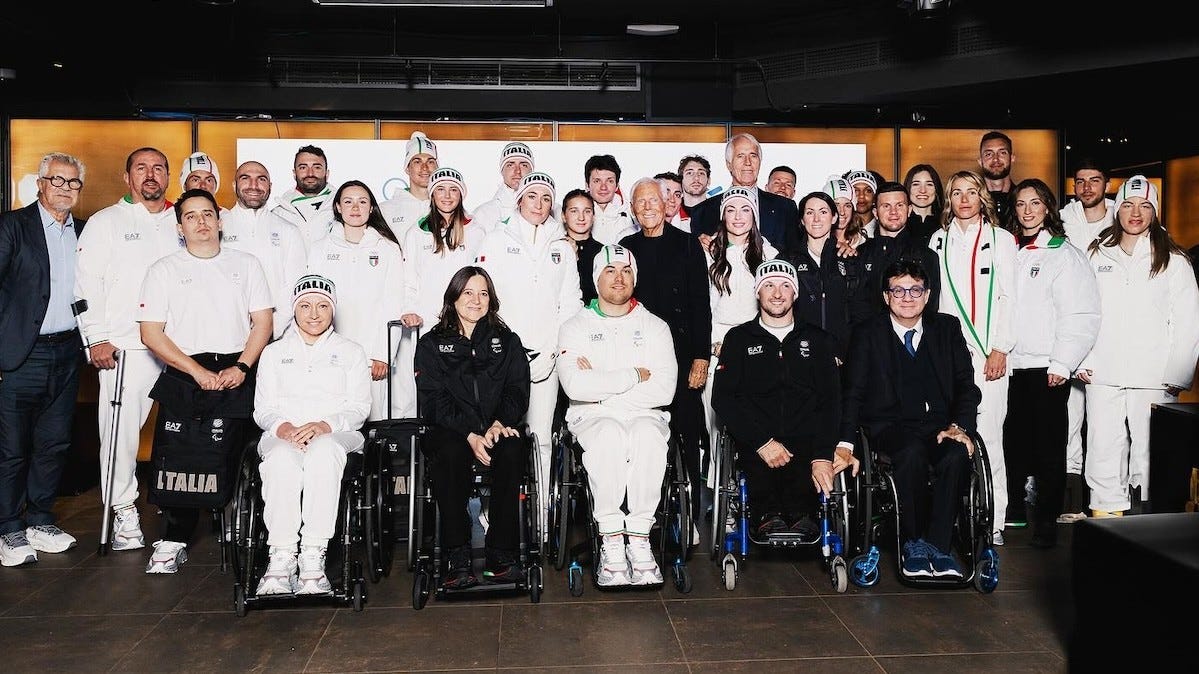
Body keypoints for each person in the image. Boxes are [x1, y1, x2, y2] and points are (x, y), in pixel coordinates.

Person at [137, 189, 273, 573]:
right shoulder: (162, 269)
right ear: (179, 227)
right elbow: (151, 333)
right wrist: (196, 372)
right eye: (191, 216)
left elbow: (263, 322)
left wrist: (242, 367)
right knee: (177, 458)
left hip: (236, 369)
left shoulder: (246, 264)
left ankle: (243, 530)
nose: (201, 222)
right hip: (185, 371)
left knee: (240, 454)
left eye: (208, 214)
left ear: (219, 220)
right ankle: (173, 538)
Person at [839, 259, 981, 579]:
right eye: (898, 290)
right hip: (890, 428)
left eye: (915, 290)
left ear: (927, 295)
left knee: (956, 454)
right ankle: (913, 544)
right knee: (911, 453)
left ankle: (939, 547)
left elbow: (966, 386)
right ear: (886, 296)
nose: (907, 297)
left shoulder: (946, 328)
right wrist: (845, 443)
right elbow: (853, 393)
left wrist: (960, 427)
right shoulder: (867, 333)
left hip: (940, 427)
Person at [74, 146, 182, 553]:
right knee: (119, 436)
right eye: (141, 168)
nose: (150, 175)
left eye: (158, 168)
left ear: (168, 176)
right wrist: (96, 337)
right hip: (126, 346)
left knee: (185, 434)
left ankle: (183, 510)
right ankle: (122, 510)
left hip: (180, 346)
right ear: (127, 177)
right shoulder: (105, 222)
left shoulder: (182, 218)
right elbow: (86, 284)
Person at [1079, 175, 1199, 517]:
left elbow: (1188, 321)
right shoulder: (1096, 253)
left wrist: (1177, 374)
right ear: (1117, 209)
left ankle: (1149, 516)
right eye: (1128, 205)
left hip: (1154, 375)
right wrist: (1082, 359)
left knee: (1150, 450)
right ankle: (1106, 514)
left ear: (1154, 211)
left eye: (1145, 206)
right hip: (1102, 371)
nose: (1135, 213)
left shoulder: (1174, 260)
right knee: (1102, 446)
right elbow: (1082, 311)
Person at [557, 245, 677, 586]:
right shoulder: (574, 326)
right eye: (610, 270)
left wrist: (600, 382)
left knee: (646, 436)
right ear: (597, 278)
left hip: (645, 415)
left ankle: (639, 540)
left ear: (635, 279)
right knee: (609, 433)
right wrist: (634, 375)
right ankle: (611, 540)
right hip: (591, 418)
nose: (619, 278)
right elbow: (575, 386)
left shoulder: (655, 326)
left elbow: (664, 390)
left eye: (626, 271)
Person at [712, 259, 848, 540]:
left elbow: (832, 400)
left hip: (806, 439)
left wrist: (823, 455)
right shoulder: (738, 339)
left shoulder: (819, 340)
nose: (777, 293)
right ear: (757, 293)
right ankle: (767, 514)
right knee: (754, 460)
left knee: (805, 457)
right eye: (769, 286)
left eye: (785, 286)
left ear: (795, 293)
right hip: (757, 440)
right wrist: (762, 443)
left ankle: (803, 513)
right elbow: (722, 398)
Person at [252, 274, 371, 595]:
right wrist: (284, 427)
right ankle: (281, 557)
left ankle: (312, 558)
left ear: (333, 309)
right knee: (280, 458)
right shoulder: (273, 353)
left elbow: (359, 408)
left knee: (323, 452)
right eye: (305, 306)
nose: (314, 314)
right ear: (294, 309)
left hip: (337, 435)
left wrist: (324, 425)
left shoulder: (351, 351)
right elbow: (263, 409)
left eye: (322, 305)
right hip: (285, 434)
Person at [475, 172, 582, 528]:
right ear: (519, 199)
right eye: (532, 196)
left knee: (540, 437)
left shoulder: (562, 246)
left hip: (546, 357)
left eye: (546, 198)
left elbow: (570, 302)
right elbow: (483, 299)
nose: (539, 204)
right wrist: (500, 349)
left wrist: (555, 349)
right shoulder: (495, 238)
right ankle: (492, 508)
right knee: (498, 433)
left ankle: (542, 516)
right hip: (502, 358)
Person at [415, 266, 531, 588]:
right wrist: (470, 434)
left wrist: (498, 424)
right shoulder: (431, 344)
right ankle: (457, 556)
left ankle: (501, 554)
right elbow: (433, 401)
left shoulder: (507, 341)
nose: (476, 300)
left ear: (491, 300)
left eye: (483, 293)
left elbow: (517, 390)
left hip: (496, 429)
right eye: (468, 292)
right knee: (450, 454)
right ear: (453, 298)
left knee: (512, 449)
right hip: (451, 432)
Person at [1003, 178, 1101, 548]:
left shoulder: (1064, 254)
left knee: (1049, 446)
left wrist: (1063, 362)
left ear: (1047, 207)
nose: (1027, 211)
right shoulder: (1009, 250)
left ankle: (1046, 520)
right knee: (1013, 441)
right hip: (1011, 364)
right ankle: (1013, 507)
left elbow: (1080, 313)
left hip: (1047, 366)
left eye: (1035, 203)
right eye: (1021, 204)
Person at [0, 152, 87, 566]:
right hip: (21, 354)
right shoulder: (12, 226)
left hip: (68, 351)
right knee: (12, 447)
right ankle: (8, 529)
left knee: (54, 443)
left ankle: (39, 520)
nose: (65, 188)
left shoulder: (84, 232)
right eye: (57, 180)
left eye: (73, 182)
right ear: (40, 184)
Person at [928, 170, 1017, 546]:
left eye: (971, 192)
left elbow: (1010, 297)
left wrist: (1000, 347)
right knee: (951, 436)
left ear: (983, 197)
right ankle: (953, 518)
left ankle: (993, 521)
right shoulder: (938, 239)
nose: (964, 199)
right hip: (950, 356)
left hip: (988, 354)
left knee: (989, 437)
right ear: (948, 200)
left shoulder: (1001, 239)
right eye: (956, 193)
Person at [620, 177, 711, 529]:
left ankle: (688, 512)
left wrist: (701, 357)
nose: (647, 207)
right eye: (640, 202)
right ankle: (645, 511)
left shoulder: (687, 245)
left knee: (686, 432)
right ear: (632, 209)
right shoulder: (626, 248)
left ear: (665, 204)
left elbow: (701, 304)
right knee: (642, 435)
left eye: (653, 200)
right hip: (637, 357)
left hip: (683, 355)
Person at [307, 181, 406, 420]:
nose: (355, 207)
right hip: (329, 353)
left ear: (371, 208)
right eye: (348, 201)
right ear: (338, 207)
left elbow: (393, 303)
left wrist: (383, 353)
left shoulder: (388, 249)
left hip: (372, 357)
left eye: (362, 202)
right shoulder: (319, 249)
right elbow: (311, 303)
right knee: (329, 422)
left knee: (373, 425)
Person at [702, 187, 779, 460]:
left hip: (756, 341)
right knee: (716, 411)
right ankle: (716, 473)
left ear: (754, 216)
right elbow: (703, 305)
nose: (738, 217)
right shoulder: (708, 252)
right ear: (722, 216)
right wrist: (712, 344)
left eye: (745, 209)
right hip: (717, 343)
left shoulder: (770, 254)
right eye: (731, 210)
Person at [1057, 159, 1115, 521]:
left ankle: (1108, 497)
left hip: (1110, 334)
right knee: (1069, 417)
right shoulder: (1063, 220)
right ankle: (1071, 499)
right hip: (1070, 330)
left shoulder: (1122, 218)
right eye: (1080, 181)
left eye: (1094, 180)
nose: (1087, 187)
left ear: (1106, 184)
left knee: (1106, 423)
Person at [221, 161, 308, 340]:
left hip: (278, 336)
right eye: (246, 178)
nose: (254, 185)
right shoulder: (218, 227)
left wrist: (270, 329)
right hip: (227, 335)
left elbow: (295, 286)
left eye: (261, 179)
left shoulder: (288, 230)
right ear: (234, 185)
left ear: (270, 186)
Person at [401, 167, 486, 332]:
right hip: (427, 321)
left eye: (453, 190)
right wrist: (409, 309)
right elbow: (409, 279)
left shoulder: (476, 231)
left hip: (467, 322)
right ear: (432, 194)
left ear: (461, 194)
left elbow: (483, 279)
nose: (447, 196)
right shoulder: (417, 233)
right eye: (440, 189)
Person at [690, 133, 799, 256]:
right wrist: (697, 246)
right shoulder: (702, 211)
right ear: (729, 164)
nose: (748, 162)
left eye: (753, 156)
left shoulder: (785, 207)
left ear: (760, 162)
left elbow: (795, 254)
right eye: (740, 156)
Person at [853, 182, 941, 323]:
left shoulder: (926, 256)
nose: (893, 212)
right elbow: (855, 306)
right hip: (870, 334)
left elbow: (931, 308)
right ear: (875, 213)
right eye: (886, 206)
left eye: (899, 205)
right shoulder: (861, 254)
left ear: (909, 210)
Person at [791, 191, 862, 359]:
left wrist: (852, 352)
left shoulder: (850, 259)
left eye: (823, 212)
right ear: (802, 220)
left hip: (843, 356)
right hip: (800, 354)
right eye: (810, 213)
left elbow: (859, 311)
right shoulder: (788, 260)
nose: (816, 219)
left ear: (834, 217)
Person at [272, 145, 336, 246]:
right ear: (294, 173)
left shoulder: (342, 209)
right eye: (303, 168)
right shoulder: (278, 214)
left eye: (317, 167)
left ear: (327, 173)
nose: (310, 173)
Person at [381, 131, 439, 242]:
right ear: (407, 168)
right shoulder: (386, 210)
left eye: (430, 162)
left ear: (437, 168)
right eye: (417, 162)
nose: (425, 167)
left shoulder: (449, 207)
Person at [470, 141, 534, 233]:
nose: (517, 171)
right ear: (502, 170)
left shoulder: (548, 211)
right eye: (510, 165)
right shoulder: (482, 214)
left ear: (532, 170)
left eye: (524, 165)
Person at [561, 188, 602, 304]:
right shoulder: (554, 249)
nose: (581, 217)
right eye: (574, 211)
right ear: (563, 216)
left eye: (587, 211)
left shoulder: (603, 252)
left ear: (593, 216)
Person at [585, 154, 636, 245]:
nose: (603, 187)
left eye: (610, 181)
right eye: (597, 181)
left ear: (617, 186)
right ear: (587, 185)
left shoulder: (632, 212)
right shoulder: (574, 213)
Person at [978, 131, 1016, 228]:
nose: (995, 159)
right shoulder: (971, 201)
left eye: (1002, 153)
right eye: (988, 154)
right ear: (980, 161)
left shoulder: (1023, 199)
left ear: (1012, 158)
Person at [902, 164, 944, 243]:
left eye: (929, 184)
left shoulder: (946, 224)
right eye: (916, 184)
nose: (923, 190)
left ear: (936, 189)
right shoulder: (898, 223)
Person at [842, 169, 880, 240]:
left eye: (868, 191)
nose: (861, 196)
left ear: (875, 196)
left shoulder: (883, 230)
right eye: (855, 190)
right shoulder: (838, 231)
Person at [823, 176, 858, 249]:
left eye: (847, 206)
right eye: (836, 205)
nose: (842, 212)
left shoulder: (863, 243)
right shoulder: (814, 244)